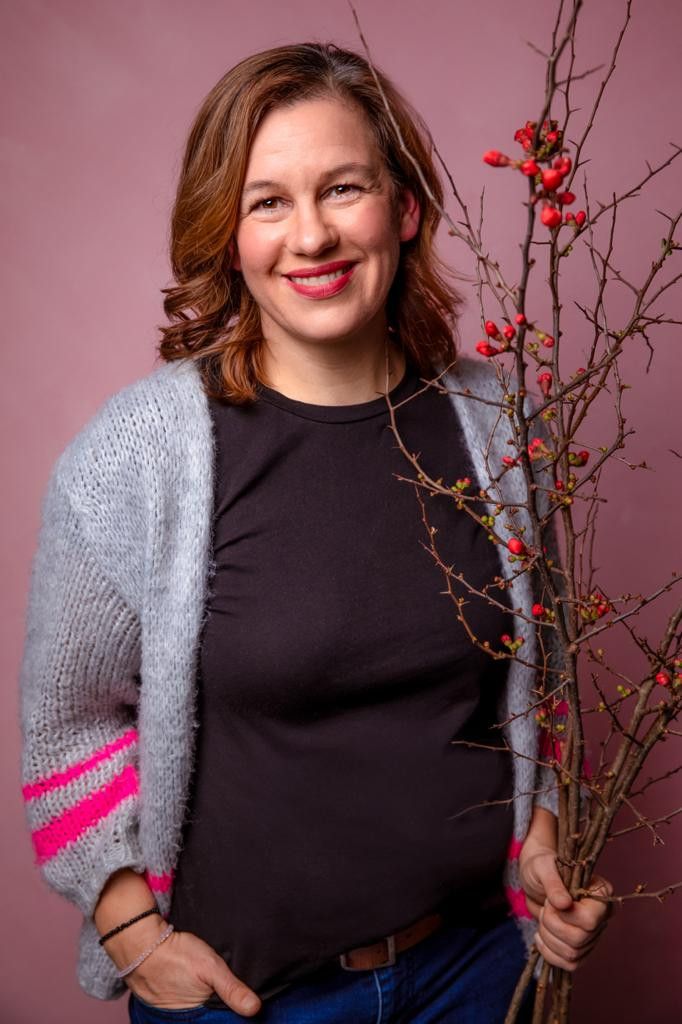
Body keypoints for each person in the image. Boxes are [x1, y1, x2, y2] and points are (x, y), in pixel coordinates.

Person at [19, 42, 613, 1024]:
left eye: (343, 188)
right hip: (250, 1001)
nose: (311, 236)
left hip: (474, 973)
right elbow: (67, 724)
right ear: (227, 237)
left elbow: (538, 685)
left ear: (404, 208)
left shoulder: (501, 428)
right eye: (267, 202)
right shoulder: (136, 459)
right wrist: (133, 934)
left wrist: (544, 839)